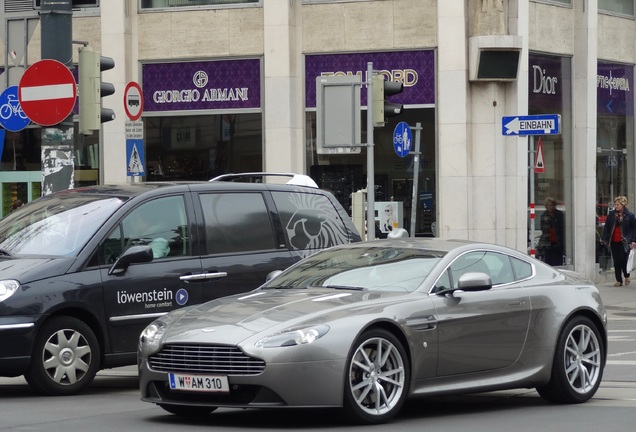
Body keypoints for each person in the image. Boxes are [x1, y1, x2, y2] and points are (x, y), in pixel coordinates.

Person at [601, 196, 636, 286]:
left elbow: (634, 229)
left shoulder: (630, 216)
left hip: (625, 241)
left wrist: (633, 241)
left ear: (623, 205)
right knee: (616, 260)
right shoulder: (611, 215)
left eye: (618, 204)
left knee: (623, 259)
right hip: (614, 240)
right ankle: (619, 280)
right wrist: (605, 238)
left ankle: (626, 275)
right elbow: (607, 227)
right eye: (615, 204)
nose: (616, 206)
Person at [538, 197, 565, 266]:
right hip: (548, 242)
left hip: (557, 242)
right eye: (549, 205)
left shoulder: (559, 214)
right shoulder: (544, 215)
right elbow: (543, 229)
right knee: (548, 261)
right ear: (546, 206)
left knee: (558, 261)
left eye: (552, 205)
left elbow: (562, 228)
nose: (550, 207)